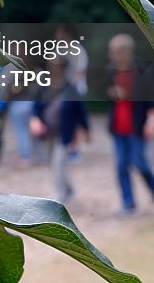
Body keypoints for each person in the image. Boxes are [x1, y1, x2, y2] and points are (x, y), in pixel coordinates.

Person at [106, 33, 154, 216]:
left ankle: (153, 185)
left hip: (137, 125)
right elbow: (105, 94)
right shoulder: (111, 71)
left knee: (139, 162)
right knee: (121, 165)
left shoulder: (143, 70)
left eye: (115, 52)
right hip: (119, 126)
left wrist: (151, 124)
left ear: (127, 51)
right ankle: (128, 204)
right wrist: (112, 94)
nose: (112, 56)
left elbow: (152, 102)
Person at [30, 58, 90, 204]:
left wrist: (86, 130)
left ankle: (60, 195)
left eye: (57, 66)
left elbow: (80, 112)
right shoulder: (44, 87)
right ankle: (69, 190)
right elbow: (36, 108)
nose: (54, 69)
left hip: (65, 134)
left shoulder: (71, 89)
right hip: (48, 133)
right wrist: (35, 120)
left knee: (58, 163)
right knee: (53, 163)